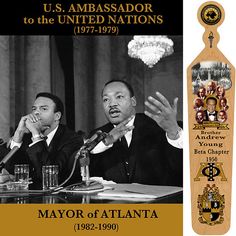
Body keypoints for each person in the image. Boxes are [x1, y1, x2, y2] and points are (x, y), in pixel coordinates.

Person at [89, 80, 183, 187]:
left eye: (119, 97)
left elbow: (183, 169)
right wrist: (104, 144)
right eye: (106, 99)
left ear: (133, 101)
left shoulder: (161, 126)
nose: (112, 104)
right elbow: (84, 173)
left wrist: (173, 133)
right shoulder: (99, 136)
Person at [1, 93, 83, 188]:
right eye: (34, 109)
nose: (36, 113)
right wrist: (18, 134)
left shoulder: (72, 139)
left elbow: (52, 176)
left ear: (57, 116)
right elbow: (13, 171)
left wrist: (36, 134)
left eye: (43, 109)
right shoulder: (27, 136)